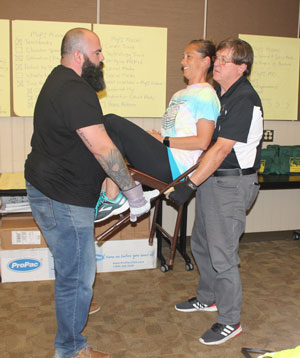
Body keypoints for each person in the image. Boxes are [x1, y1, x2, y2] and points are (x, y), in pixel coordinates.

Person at [25, 28, 156, 358]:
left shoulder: (58, 81)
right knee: (78, 277)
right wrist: (132, 191)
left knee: (70, 266)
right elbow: (100, 146)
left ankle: (76, 307)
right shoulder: (74, 90)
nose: (102, 60)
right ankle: (70, 349)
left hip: (51, 188)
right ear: (80, 56)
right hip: (62, 197)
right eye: (98, 54)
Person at [170, 38, 263, 345]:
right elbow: (204, 141)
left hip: (233, 183)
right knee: (201, 243)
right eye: (217, 58)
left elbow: (221, 148)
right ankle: (208, 297)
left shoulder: (244, 99)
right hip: (214, 179)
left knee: (222, 255)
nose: (217, 64)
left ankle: (229, 320)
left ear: (242, 67)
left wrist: (191, 183)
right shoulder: (219, 95)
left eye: (224, 60)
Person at [94, 39, 220, 223]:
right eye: (183, 57)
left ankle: (113, 196)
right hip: (165, 156)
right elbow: (176, 132)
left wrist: (164, 140)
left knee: (111, 122)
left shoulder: (207, 95)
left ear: (206, 61)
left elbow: (203, 141)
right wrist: (157, 138)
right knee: (110, 134)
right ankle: (108, 194)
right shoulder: (179, 95)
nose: (183, 61)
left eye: (189, 56)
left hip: (176, 168)